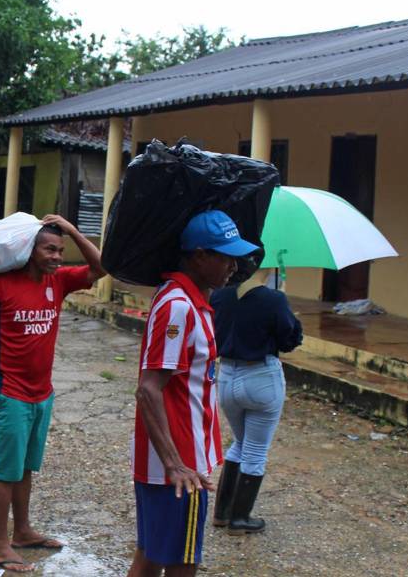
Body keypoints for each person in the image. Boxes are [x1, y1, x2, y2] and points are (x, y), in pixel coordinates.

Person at [0, 215, 105, 573]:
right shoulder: (1, 285)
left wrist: (71, 230)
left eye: (60, 250)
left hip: (42, 393)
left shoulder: (59, 281)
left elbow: (102, 267)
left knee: (24, 467)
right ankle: (0, 545)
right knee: (7, 471)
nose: (57, 256)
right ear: (29, 250)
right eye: (49, 249)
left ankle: (21, 531)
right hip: (9, 395)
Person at [128, 210, 259, 577]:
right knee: (182, 563)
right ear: (199, 256)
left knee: (150, 555)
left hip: (173, 459)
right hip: (179, 464)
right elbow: (149, 389)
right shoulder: (178, 307)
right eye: (225, 256)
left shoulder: (191, 300)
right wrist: (175, 464)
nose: (233, 265)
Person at [209, 268, 302, 535]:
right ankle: (240, 519)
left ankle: (222, 513)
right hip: (261, 376)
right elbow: (289, 340)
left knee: (240, 443)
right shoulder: (274, 299)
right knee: (255, 450)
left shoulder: (220, 296)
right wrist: (290, 316)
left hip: (226, 375)